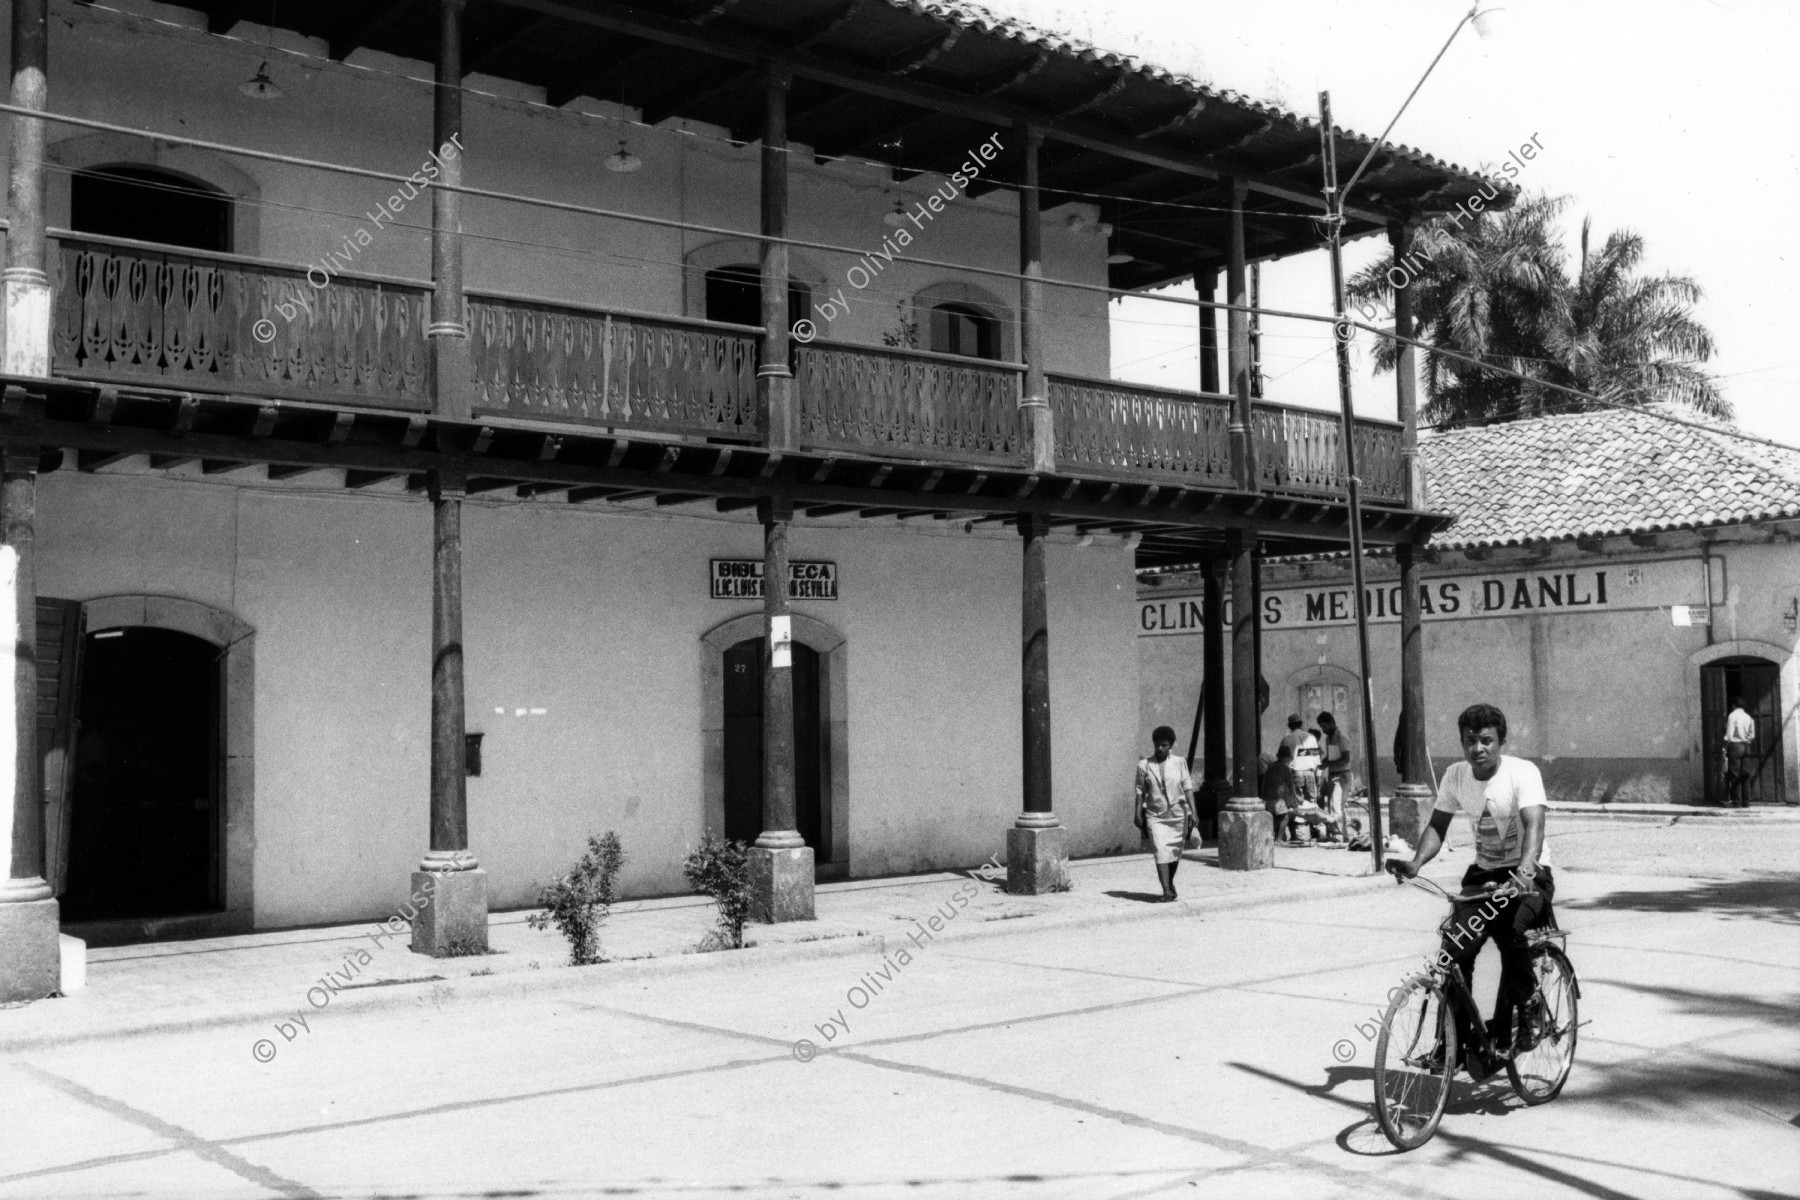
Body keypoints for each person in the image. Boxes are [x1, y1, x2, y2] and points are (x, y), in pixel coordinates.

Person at [1390, 702, 1554, 1071]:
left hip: (1529, 872)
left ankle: (1530, 1009)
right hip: (1484, 875)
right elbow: (1437, 826)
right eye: (1470, 741)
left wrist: (1525, 871)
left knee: (1512, 932)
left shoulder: (1522, 772)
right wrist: (1416, 862)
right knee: (1454, 954)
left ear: (1501, 742)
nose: (1477, 748)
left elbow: (1534, 825)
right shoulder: (1455, 775)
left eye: (1486, 741)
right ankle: (1449, 1046)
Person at [1135, 725, 1195, 902]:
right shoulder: (1144, 765)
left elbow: (1188, 787)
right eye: (1157, 745)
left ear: (1171, 746)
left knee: (1174, 852)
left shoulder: (1179, 762)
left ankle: (1169, 883)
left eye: (1164, 745)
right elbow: (1140, 791)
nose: (1160, 748)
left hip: (1177, 814)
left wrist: (1194, 812)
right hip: (1155, 815)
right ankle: (1166, 891)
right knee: (1160, 851)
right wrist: (1137, 813)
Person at [1316, 711, 1352, 844]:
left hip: (1342, 775)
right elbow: (1331, 757)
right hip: (1332, 775)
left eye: (1325, 726)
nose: (1323, 730)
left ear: (1331, 723)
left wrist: (1328, 763)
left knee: (1336, 806)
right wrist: (1323, 763)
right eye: (1322, 727)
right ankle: (1344, 836)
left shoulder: (1342, 737)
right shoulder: (1327, 739)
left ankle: (1340, 836)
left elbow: (1345, 759)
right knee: (1336, 807)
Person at [1261, 743, 1298, 843]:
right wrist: (1294, 798)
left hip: (1268, 797)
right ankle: (1279, 839)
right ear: (1289, 758)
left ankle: (1270, 838)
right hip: (1277, 797)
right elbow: (1291, 785)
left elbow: (1264, 783)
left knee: (1273, 818)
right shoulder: (1285, 768)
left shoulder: (1271, 767)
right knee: (1285, 816)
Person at [1723, 695, 1755, 807]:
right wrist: (1746, 740)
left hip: (1735, 746)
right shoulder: (1748, 717)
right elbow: (1752, 735)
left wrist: (1725, 747)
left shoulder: (1732, 716)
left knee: (1735, 775)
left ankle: (1737, 802)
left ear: (1734, 705)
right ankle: (1746, 802)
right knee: (1745, 774)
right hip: (1746, 746)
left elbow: (1729, 735)